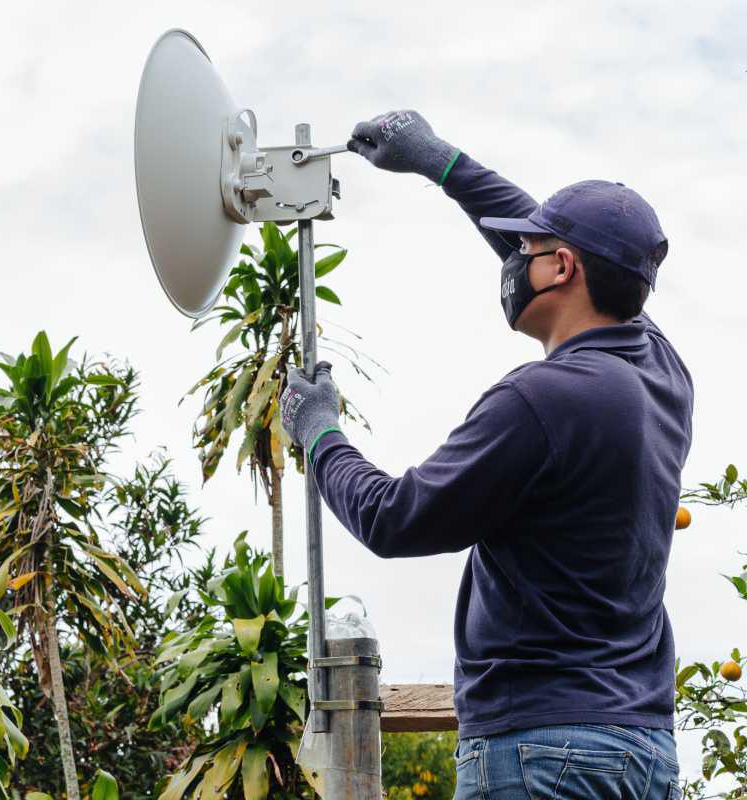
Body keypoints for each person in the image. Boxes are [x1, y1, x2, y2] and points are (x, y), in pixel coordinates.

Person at [279, 110, 693, 799]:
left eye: (527, 251)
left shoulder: (542, 399)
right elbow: (548, 231)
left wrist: (320, 432)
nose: (512, 262)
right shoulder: (660, 371)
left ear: (562, 267)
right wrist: (441, 163)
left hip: (541, 753)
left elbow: (394, 519)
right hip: (642, 752)